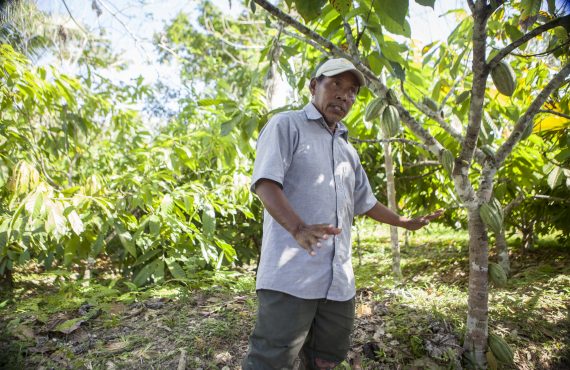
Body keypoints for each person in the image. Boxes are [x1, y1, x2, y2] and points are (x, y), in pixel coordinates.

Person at [242, 58, 443, 370]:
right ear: (313, 86)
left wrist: (404, 222)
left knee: (326, 359)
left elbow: (366, 202)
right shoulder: (287, 125)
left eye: (351, 92)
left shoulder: (348, 151)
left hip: (338, 281)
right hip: (292, 277)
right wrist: (298, 228)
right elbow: (266, 183)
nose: (344, 96)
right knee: (271, 360)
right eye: (335, 85)